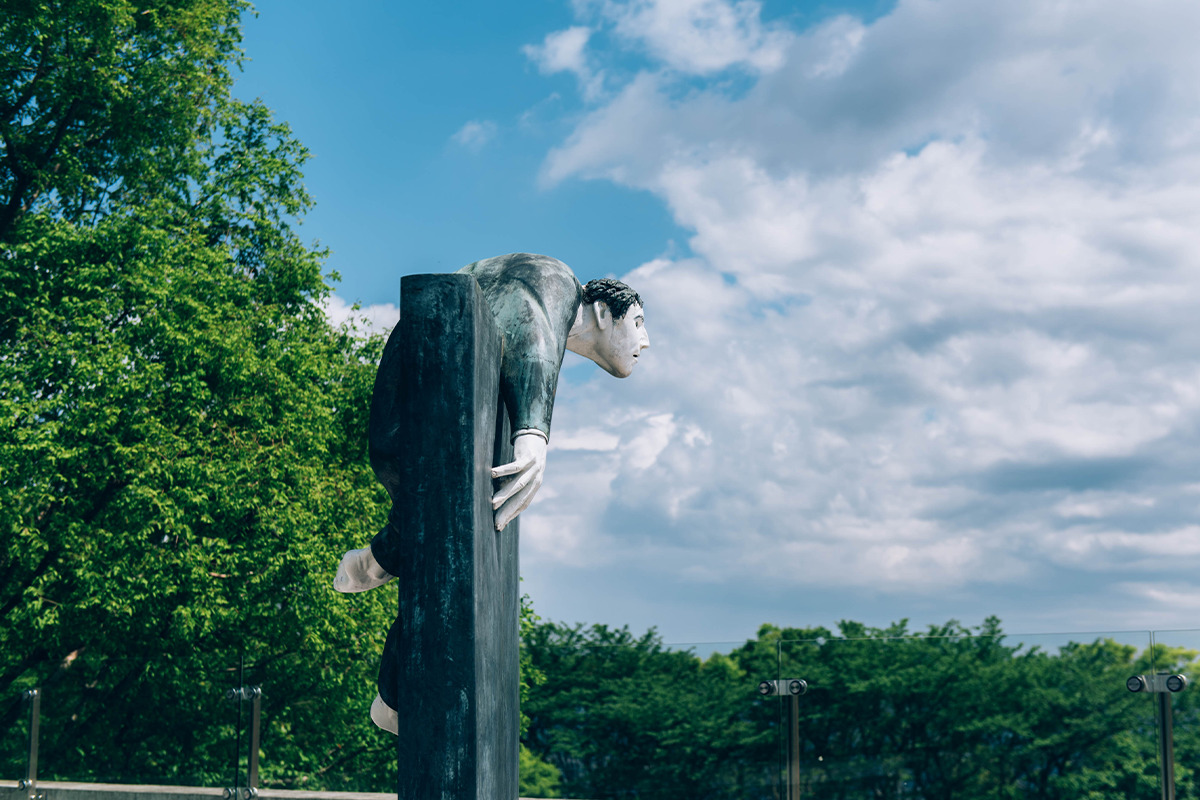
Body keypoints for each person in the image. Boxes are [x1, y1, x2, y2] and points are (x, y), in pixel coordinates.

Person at [333, 252, 649, 732]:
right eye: (640, 323)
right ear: (604, 314)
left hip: (433, 412)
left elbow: (524, 331)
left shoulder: (533, 300)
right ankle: (382, 574)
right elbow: (534, 328)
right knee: (443, 548)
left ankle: (380, 563)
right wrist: (532, 432)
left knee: (440, 549)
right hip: (421, 410)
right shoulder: (555, 281)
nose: (645, 342)